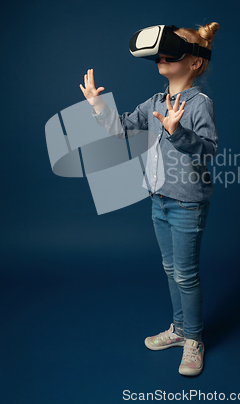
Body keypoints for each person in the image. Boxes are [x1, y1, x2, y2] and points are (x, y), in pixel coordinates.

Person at [79, 22, 219, 376]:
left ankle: (195, 340)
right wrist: (97, 105)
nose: (161, 58)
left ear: (195, 62)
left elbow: (208, 149)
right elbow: (121, 127)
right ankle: (179, 330)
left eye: (171, 52)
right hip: (159, 200)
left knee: (186, 276)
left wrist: (178, 132)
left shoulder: (199, 103)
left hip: (187, 203)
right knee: (170, 270)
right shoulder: (156, 101)